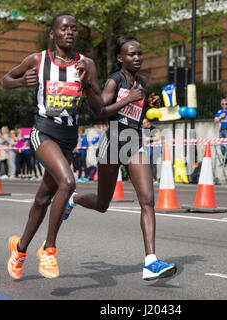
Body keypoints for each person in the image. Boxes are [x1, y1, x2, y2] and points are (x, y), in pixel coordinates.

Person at [2, 12, 103, 279]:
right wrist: (21, 82)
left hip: (69, 136)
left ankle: (20, 249)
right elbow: (5, 80)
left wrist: (88, 83)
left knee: (43, 199)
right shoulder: (38, 59)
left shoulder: (87, 64)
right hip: (43, 131)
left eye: (74, 28)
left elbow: (99, 106)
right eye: (64, 28)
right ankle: (49, 250)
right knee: (67, 183)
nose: (69, 32)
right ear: (53, 34)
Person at [68, 36, 177, 281]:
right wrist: (128, 99)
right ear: (120, 58)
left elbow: (137, 111)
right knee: (103, 204)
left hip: (134, 141)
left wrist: (149, 103)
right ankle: (73, 199)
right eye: (131, 54)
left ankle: (150, 262)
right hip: (113, 142)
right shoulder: (114, 81)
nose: (137, 58)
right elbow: (100, 111)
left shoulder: (142, 81)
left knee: (147, 201)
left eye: (140, 53)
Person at [142, 118, 160, 184]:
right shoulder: (144, 130)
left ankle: (154, 178)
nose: (143, 125)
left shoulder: (153, 129)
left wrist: (148, 138)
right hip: (147, 148)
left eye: (144, 123)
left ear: (148, 123)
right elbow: (144, 139)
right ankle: (148, 178)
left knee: (153, 164)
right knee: (147, 164)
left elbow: (157, 137)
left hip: (154, 148)